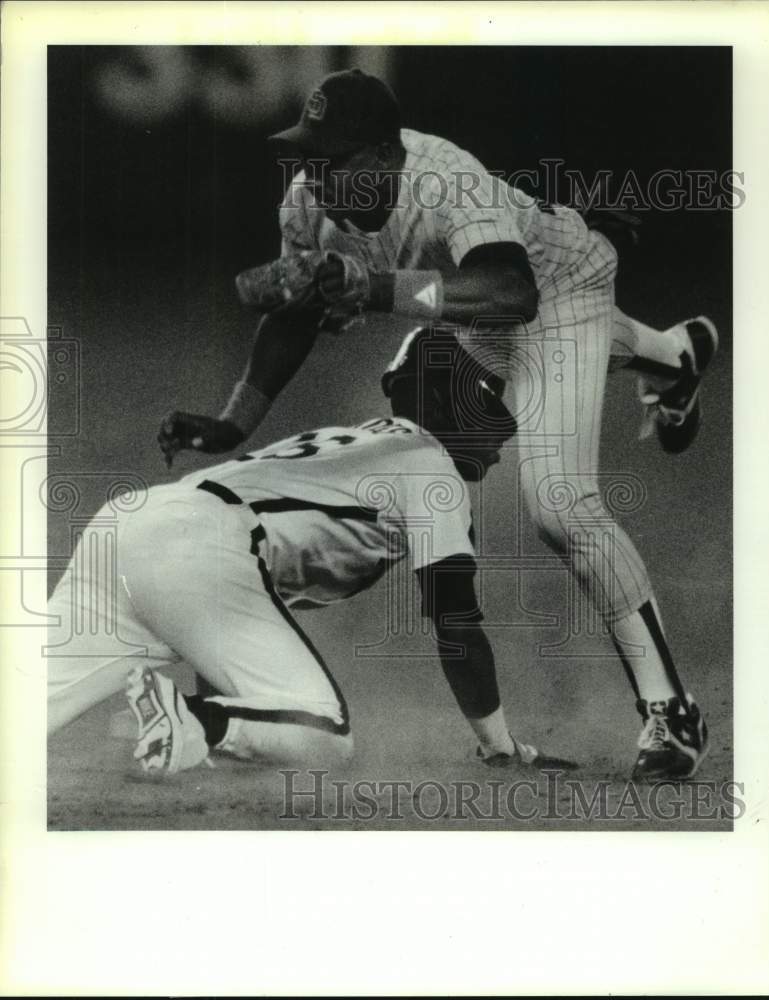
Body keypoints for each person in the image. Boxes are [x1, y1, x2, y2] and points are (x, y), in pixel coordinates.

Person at [158, 69, 714, 781]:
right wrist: (236, 420)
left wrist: (381, 288)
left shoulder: (446, 181)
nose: (311, 173)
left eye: (330, 158)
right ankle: (673, 357)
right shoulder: (306, 201)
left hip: (553, 290)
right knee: (419, 421)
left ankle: (672, 713)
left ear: (385, 155)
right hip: (465, 306)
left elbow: (512, 294)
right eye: (306, 153)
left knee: (560, 506)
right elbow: (293, 310)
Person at [48, 329, 576, 776]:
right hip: (202, 541)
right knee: (324, 736)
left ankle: (192, 722)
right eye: (488, 412)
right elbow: (455, 622)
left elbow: (230, 611)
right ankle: (191, 720)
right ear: (444, 402)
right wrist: (500, 746)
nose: (501, 440)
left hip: (127, 522)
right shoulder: (430, 465)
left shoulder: (350, 440)